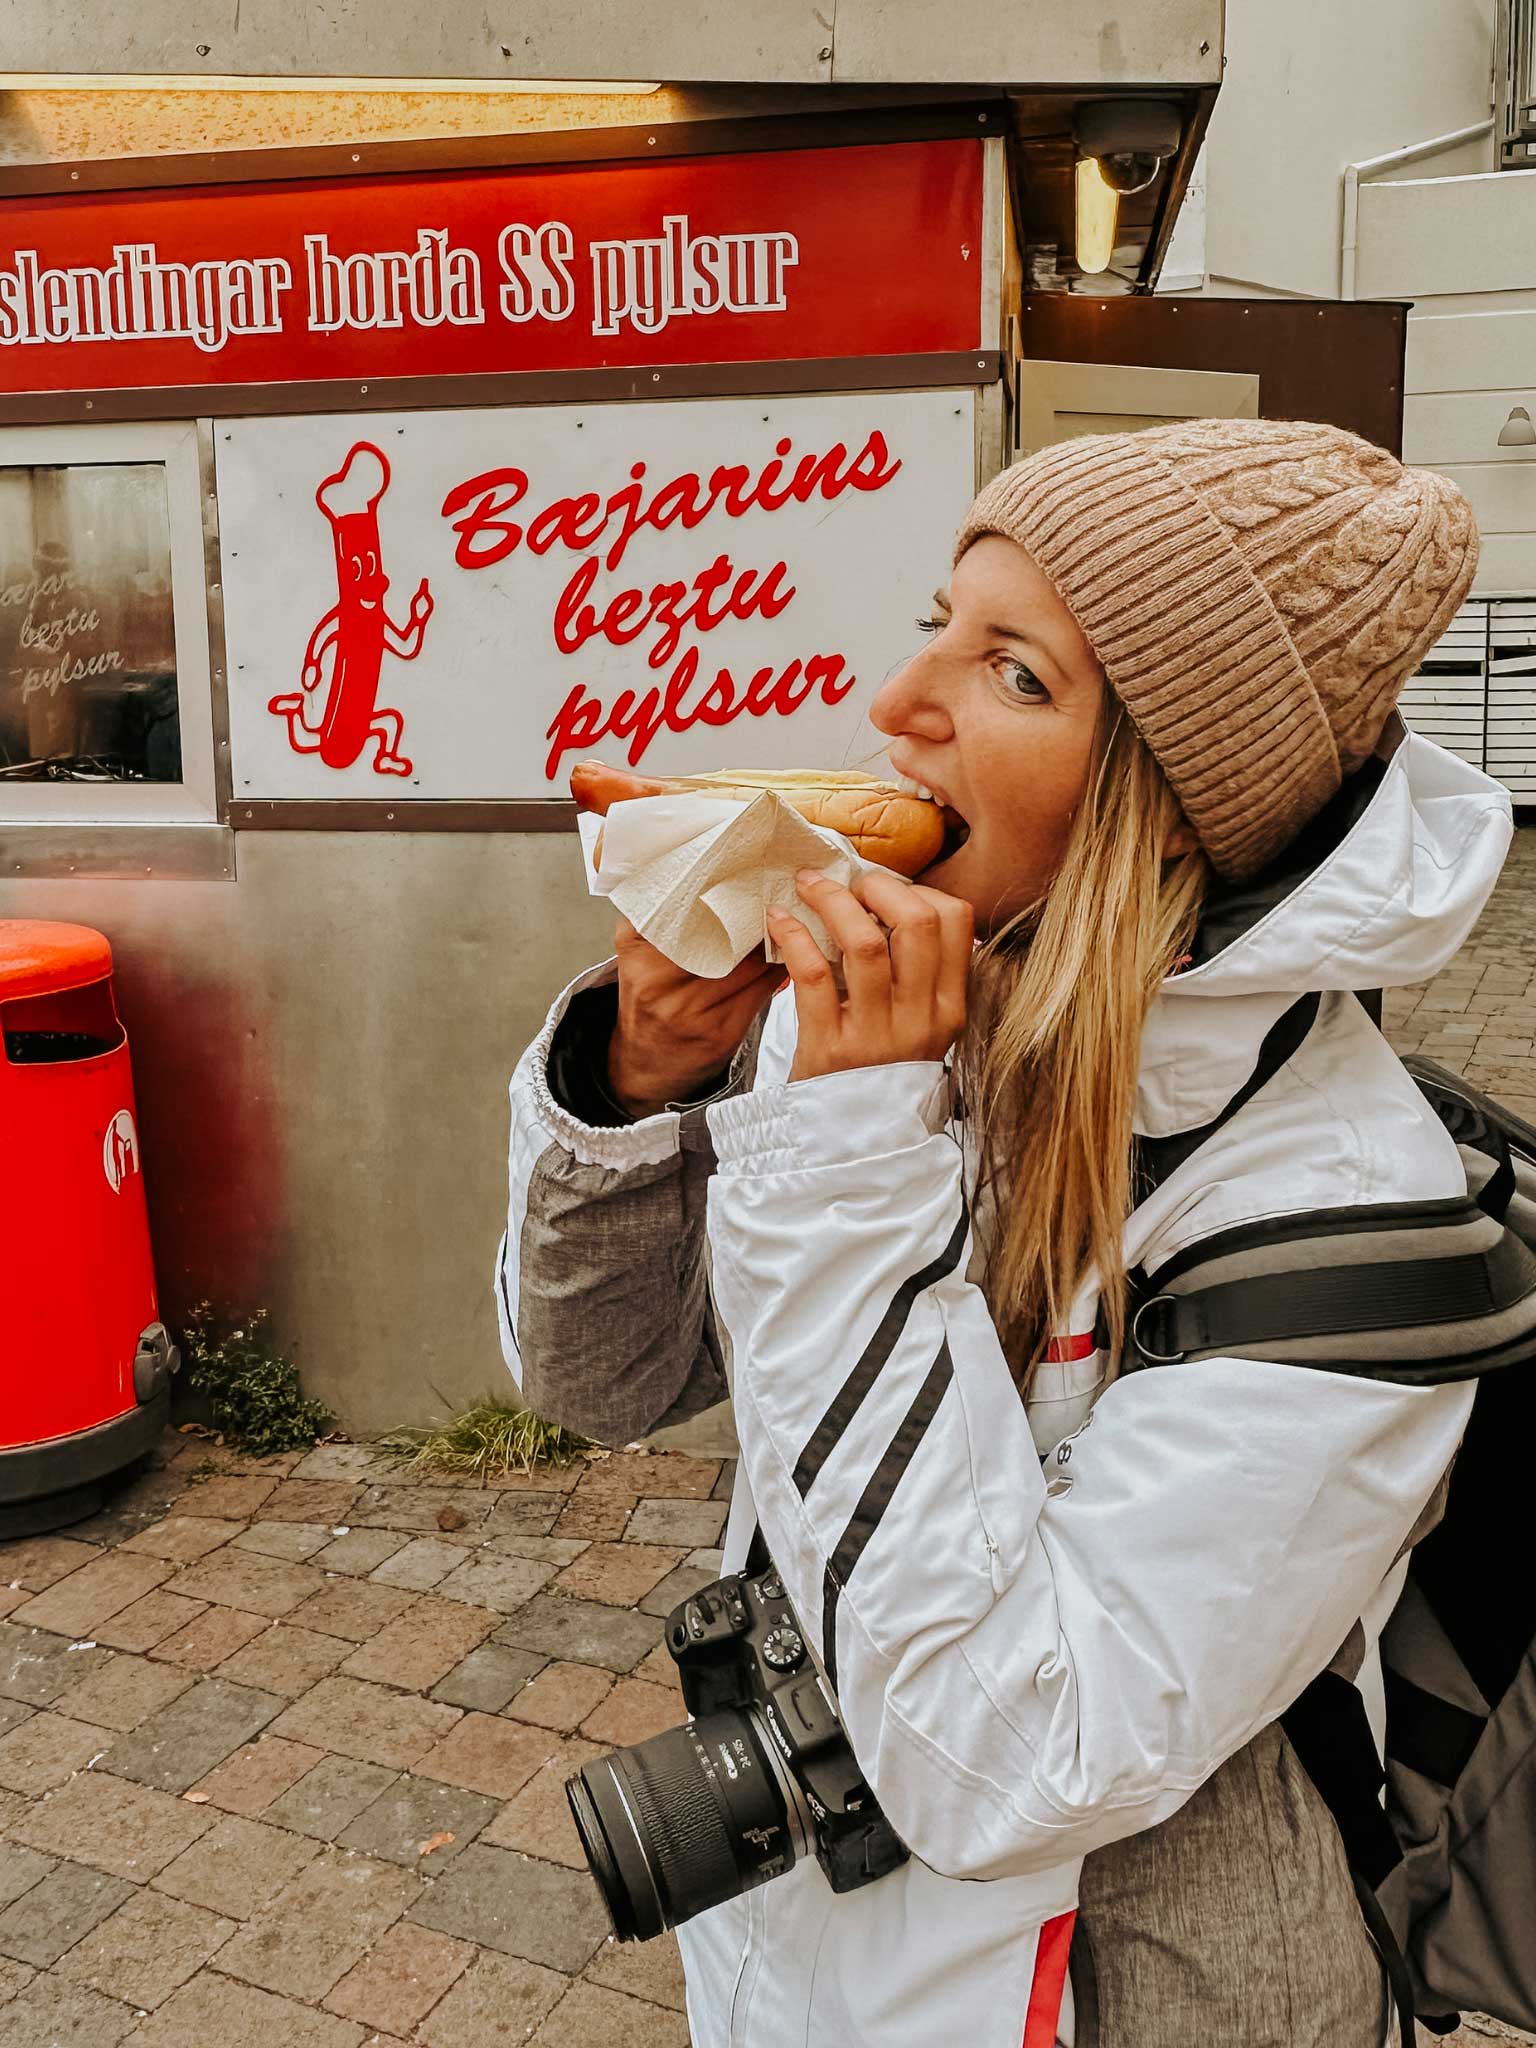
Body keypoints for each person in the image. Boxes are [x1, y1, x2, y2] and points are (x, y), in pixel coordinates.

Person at [495, 418, 1512, 2048]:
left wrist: (836, 1153)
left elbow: (1002, 1754)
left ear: (1176, 810)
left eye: (1018, 675)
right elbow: (600, 1383)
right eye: (938, 632)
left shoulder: (1347, 1222)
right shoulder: (921, 1025)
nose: (900, 710)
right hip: (805, 1954)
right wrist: (648, 1077)